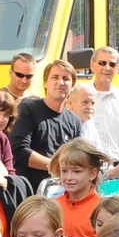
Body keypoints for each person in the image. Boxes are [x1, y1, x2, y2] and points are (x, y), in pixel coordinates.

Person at [12, 61, 84, 191]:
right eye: (55, 77)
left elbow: (77, 157)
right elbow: (20, 150)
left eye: (66, 79)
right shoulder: (28, 110)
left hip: (62, 193)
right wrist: (56, 167)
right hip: (30, 193)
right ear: (45, 83)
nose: (60, 82)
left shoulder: (75, 121)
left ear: (72, 86)